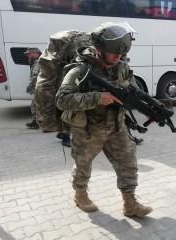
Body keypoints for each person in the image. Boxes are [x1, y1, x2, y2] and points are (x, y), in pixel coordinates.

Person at [55, 22, 152, 216]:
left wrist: (147, 109)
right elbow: (62, 100)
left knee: (128, 162)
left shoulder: (122, 67)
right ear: (99, 49)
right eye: (114, 53)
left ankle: (130, 203)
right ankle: (80, 195)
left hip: (117, 126)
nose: (119, 57)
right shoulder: (79, 71)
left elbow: (133, 93)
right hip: (89, 129)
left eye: (121, 53)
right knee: (83, 165)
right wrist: (99, 98)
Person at [25, 47, 42, 129]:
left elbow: (35, 76)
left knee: (34, 105)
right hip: (41, 87)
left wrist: (30, 86)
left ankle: (36, 122)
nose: (27, 55)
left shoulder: (38, 62)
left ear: (35, 53)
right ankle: (37, 122)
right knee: (38, 105)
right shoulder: (39, 61)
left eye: (29, 53)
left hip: (40, 87)